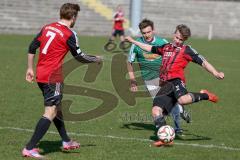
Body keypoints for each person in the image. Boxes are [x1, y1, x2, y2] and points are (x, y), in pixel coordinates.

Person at [22, 3, 102, 158]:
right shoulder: (69, 34)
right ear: (73, 17)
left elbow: (32, 47)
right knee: (50, 111)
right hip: (54, 77)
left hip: (41, 74)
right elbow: (79, 56)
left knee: (57, 108)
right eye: (76, 17)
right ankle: (30, 148)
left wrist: (29, 68)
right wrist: (96, 59)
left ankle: (66, 141)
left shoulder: (47, 27)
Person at [125, 24, 224, 146]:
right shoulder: (165, 47)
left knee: (182, 100)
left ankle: (205, 95)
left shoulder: (187, 50)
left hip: (176, 81)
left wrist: (215, 72)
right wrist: (133, 41)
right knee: (156, 111)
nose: (177, 41)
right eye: (176, 37)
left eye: (181, 39)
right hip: (165, 85)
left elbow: (203, 62)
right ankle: (165, 138)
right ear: (174, 35)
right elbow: (149, 48)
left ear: (184, 40)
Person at [127, 19, 190, 135]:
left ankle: (175, 128)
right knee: (163, 105)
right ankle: (170, 122)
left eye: (149, 32)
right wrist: (133, 81)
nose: (146, 35)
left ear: (153, 30)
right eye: (144, 33)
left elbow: (177, 53)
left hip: (165, 78)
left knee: (169, 103)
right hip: (149, 80)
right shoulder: (136, 45)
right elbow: (129, 62)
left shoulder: (162, 42)